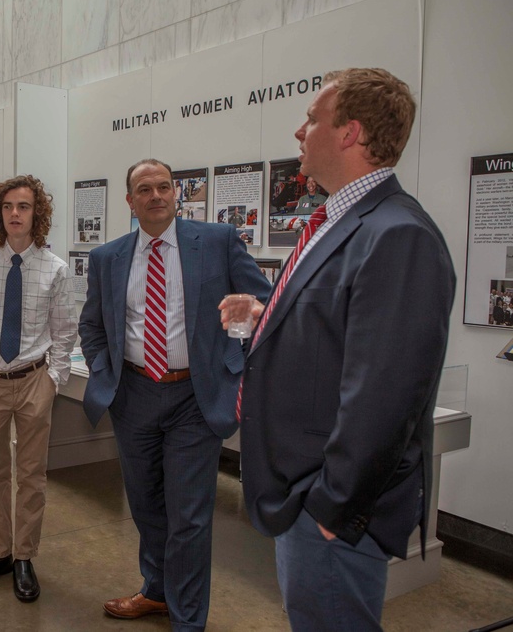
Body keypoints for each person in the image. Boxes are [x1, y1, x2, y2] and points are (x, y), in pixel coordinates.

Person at [232, 68, 456, 631]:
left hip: (328, 508)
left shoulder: (397, 233)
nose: (299, 131)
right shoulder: (340, 222)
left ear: (350, 133)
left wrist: (332, 509)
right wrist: (264, 317)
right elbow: (341, 330)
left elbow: (386, 394)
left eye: (312, 118)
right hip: (304, 493)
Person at [79, 159, 270, 631]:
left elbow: (260, 305)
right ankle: (158, 590)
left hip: (194, 397)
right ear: (130, 201)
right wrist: (108, 374)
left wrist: (234, 362)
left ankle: (188, 621)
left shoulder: (219, 242)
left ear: (176, 194)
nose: (157, 195)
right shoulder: (109, 258)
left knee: (188, 516)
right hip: (135, 394)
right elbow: (92, 325)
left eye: (164, 186)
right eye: (145, 189)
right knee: (146, 506)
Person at [0, 175, 77, 602]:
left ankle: (24, 556)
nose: (14, 214)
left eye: (23, 206)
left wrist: (54, 380)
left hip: (33, 382)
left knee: (31, 475)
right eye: (7, 206)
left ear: (36, 214)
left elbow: (64, 333)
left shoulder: (55, 269)